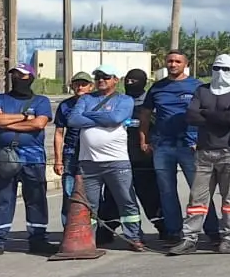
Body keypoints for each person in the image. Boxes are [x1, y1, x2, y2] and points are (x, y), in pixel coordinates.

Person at [169, 55, 230, 255]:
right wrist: (216, 115)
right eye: (216, 68)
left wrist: (206, 113)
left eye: (225, 69)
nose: (220, 73)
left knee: (229, 198)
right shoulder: (202, 90)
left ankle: (227, 237)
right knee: (197, 198)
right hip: (203, 151)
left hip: (228, 151)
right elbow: (190, 116)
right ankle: (190, 238)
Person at [65, 66, 148, 252]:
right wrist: (105, 118)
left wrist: (89, 115)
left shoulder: (124, 100)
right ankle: (89, 240)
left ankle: (134, 237)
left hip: (117, 161)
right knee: (90, 205)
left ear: (115, 80)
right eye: (98, 77)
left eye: (106, 77)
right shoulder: (86, 98)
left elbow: (117, 117)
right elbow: (73, 120)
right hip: (88, 162)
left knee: (126, 201)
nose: (101, 80)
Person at [0, 63, 54, 257]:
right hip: (4, 154)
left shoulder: (41, 101)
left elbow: (39, 124)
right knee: (1, 199)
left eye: (21, 75)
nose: (16, 78)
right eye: (13, 75)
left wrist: (7, 123)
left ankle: (38, 240)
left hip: (33, 155)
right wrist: (24, 117)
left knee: (36, 198)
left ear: (30, 78)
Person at [140, 50, 203, 245]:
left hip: (189, 145)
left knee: (198, 190)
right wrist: (143, 140)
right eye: (170, 61)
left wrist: (202, 140)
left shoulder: (197, 86)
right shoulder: (157, 88)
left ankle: (209, 229)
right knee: (166, 190)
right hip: (163, 146)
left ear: (185, 64)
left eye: (177, 61)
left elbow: (207, 114)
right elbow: (145, 115)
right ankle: (174, 230)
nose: (173, 64)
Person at [122, 68, 162, 238]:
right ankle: (106, 230)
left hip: (144, 156)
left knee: (150, 195)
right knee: (115, 196)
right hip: (120, 156)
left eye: (134, 81)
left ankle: (164, 227)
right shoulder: (119, 101)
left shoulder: (150, 102)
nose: (130, 84)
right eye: (128, 81)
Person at [52, 73, 93, 230]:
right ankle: (69, 230)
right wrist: (58, 160)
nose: (80, 87)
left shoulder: (97, 102)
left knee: (92, 193)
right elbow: (58, 133)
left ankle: (92, 231)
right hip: (71, 152)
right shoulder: (65, 106)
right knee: (69, 193)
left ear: (91, 86)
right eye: (77, 84)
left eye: (84, 84)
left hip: (92, 152)